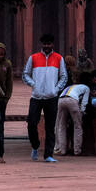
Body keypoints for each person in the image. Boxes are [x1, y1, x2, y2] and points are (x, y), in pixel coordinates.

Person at [23, 34, 68, 162]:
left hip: (51, 97)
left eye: (49, 44)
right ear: (41, 44)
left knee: (50, 126)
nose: (47, 46)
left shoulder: (59, 58)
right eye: (45, 44)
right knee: (31, 123)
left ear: (52, 44)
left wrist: (56, 88)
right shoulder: (33, 58)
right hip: (36, 97)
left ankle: (48, 155)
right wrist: (33, 84)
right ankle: (35, 145)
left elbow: (64, 76)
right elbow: (25, 74)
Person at [56, 70, 96, 155]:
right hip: (72, 101)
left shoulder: (72, 86)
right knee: (78, 126)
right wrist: (82, 113)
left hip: (60, 100)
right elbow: (84, 103)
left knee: (62, 126)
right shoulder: (86, 88)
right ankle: (77, 150)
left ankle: (62, 150)